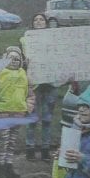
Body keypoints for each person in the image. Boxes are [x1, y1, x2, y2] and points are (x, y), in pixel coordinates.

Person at [22, 13, 60, 161]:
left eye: (41, 20)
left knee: (47, 118)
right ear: (32, 23)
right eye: (36, 20)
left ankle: (45, 149)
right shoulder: (26, 40)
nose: (38, 22)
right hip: (34, 84)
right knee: (32, 117)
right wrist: (25, 62)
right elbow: (20, 61)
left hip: (50, 84)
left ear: (46, 23)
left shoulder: (54, 40)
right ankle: (30, 148)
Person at [0, 46, 28, 178]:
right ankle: (0, 168)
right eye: (10, 58)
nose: (14, 61)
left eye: (17, 59)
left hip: (18, 113)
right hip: (3, 112)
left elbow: (28, 93)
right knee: (4, 141)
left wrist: (27, 107)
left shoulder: (23, 73)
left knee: (12, 141)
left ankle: (8, 166)